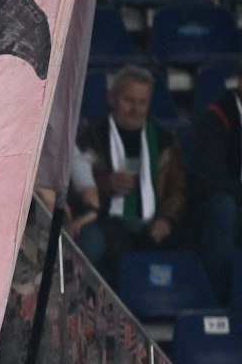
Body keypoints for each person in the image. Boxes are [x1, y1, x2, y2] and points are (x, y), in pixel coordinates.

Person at [74, 66, 185, 275]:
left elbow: (176, 187)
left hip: (154, 220)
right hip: (106, 219)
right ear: (112, 98)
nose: (135, 109)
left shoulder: (163, 138)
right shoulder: (92, 137)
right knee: (103, 244)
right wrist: (106, 184)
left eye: (142, 102)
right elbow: (74, 185)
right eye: (129, 100)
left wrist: (167, 219)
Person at [188, 53, 242, 297]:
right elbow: (210, 181)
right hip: (218, 211)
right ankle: (218, 297)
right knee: (223, 208)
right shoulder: (216, 119)